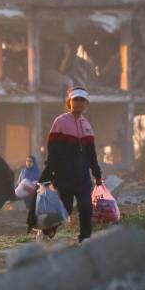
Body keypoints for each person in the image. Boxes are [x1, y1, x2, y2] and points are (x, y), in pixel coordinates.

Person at [33, 86, 104, 242]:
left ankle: (85, 238)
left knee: (86, 206)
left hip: (83, 176)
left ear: (86, 104)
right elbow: (53, 151)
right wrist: (49, 173)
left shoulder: (87, 125)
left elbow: (91, 154)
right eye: (76, 100)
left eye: (82, 100)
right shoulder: (60, 122)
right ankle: (46, 232)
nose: (79, 103)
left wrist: (97, 174)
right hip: (64, 176)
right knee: (65, 208)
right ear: (69, 102)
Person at [16, 155, 41, 229]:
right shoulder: (23, 172)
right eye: (27, 161)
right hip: (23, 195)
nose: (28, 163)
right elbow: (18, 183)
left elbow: (39, 185)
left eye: (30, 161)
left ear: (34, 162)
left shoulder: (37, 172)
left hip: (33, 195)